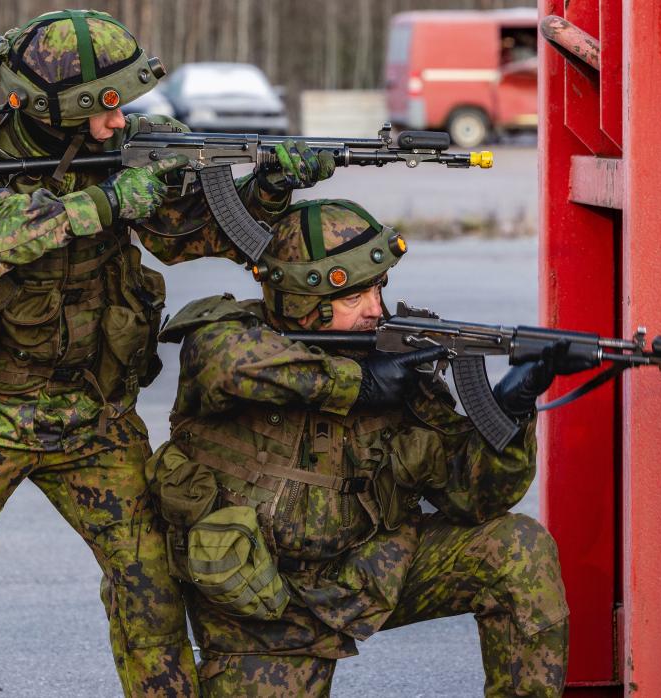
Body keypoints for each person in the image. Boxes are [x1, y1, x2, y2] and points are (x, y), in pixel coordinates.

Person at [0, 9, 333, 697]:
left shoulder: (133, 149)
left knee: (153, 593)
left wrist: (269, 186)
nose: (118, 123)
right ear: (52, 110)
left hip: (93, 418)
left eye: (121, 107)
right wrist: (109, 201)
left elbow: (189, 237)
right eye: (101, 111)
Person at [149, 199, 590, 696]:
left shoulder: (395, 362)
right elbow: (226, 365)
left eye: (378, 287)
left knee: (517, 547)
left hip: (365, 575)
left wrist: (510, 410)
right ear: (302, 296)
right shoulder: (225, 337)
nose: (375, 309)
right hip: (258, 605)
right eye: (355, 295)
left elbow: (474, 497)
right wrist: (358, 384)